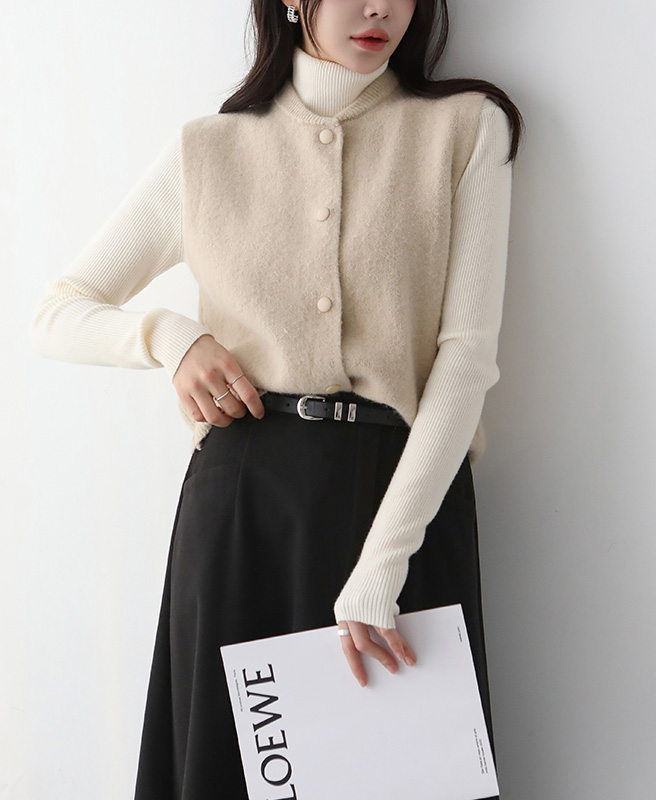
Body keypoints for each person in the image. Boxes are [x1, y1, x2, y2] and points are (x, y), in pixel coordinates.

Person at [29, 0, 524, 797]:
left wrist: (382, 566)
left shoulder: (467, 129)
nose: (380, 8)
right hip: (242, 516)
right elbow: (57, 312)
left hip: (401, 506)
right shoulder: (209, 150)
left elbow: (466, 361)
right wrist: (169, 338)